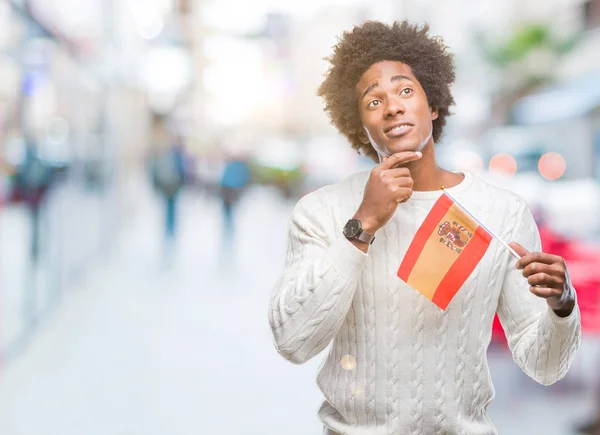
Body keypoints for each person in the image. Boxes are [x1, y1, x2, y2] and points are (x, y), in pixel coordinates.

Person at [268, 21, 581, 434]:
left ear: (432, 104)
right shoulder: (322, 211)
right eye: (373, 101)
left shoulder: (500, 211)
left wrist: (561, 306)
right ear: (358, 123)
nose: (393, 106)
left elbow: (543, 366)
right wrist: (363, 223)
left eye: (405, 90)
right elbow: (293, 340)